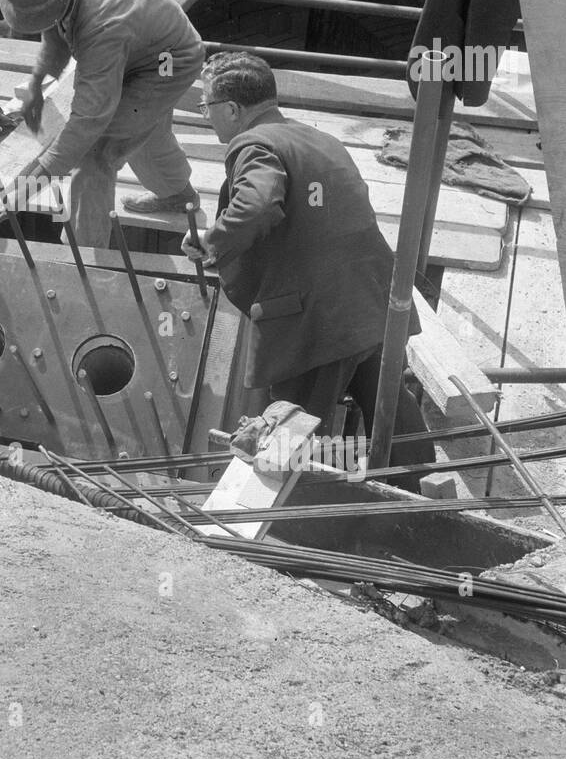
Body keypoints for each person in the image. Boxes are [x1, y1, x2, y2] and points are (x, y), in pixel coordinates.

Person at [182, 51, 434, 477]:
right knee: (385, 401)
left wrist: (213, 242)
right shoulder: (318, 138)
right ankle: (423, 493)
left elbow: (259, 203)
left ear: (231, 109)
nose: (206, 116)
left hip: (317, 319)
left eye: (206, 107)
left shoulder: (254, 142)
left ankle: (275, 514)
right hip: (372, 300)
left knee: (288, 426)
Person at [0, 0, 203, 247]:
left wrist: (33, 183)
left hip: (168, 62)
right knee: (143, 128)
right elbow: (56, 30)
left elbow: (88, 121)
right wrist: (36, 83)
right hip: (144, 43)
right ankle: (178, 195)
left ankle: (87, 260)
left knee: (97, 151)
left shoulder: (102, 28)